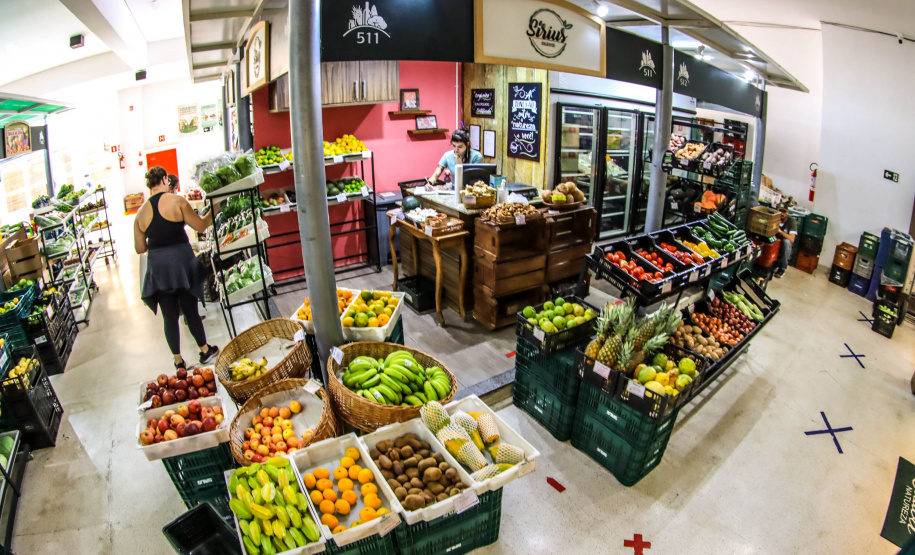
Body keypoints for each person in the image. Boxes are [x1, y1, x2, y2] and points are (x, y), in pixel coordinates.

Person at [134, 166, 218, 370]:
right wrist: (215, 209)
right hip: (181, 263)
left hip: (159, 269)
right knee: (190, 309)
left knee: (169, 315)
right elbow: (200, 226)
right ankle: (205, 350)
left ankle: (178, 361)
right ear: (165, 180)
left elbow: (140, 248)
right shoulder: (177, 201)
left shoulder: (141, 213)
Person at [775, 204, 797, 278]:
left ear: (787, 212)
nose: (781, 213)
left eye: (783, 211)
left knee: (786, 242)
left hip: (784, 244)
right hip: (775, 241)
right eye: (780, 211)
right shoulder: (774, 218)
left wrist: (780, 231)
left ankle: (782, 268)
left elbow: (791, 239)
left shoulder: (791, 221)